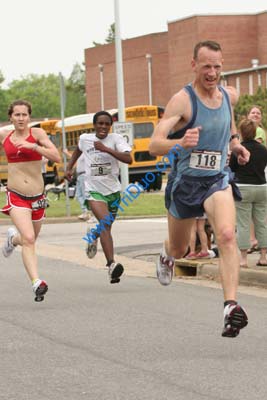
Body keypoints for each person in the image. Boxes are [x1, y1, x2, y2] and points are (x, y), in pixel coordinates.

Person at [149, 40, 250, 338]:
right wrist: (179, 143)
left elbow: (229, 120)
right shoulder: (183, 100)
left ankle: (230, 307)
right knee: (181, 248)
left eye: (218, 67)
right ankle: (167, 255)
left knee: (228, 235)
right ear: (194, 65)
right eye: (206, 66)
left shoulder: (227, 96)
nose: (212, 73)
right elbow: (155, 144)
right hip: (185, 184)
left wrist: (235, 143)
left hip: (217, 179)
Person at [0, 100, 61, 301]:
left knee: (29, 237)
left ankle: (11, 240)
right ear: (10, 117)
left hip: (37, 197)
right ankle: (36, 282)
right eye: (17, 115)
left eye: (24, 115)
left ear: (29, 117)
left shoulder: (38, 134)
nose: (21, 118)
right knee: (29, 238)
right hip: (16, 194)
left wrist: (33, 146)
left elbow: (56, 156)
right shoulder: (4, 135)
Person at [66, 111, 132, 284]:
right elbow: (77, 151)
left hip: (113, 191)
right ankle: (111, 265)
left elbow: (128, 159)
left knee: (107, 225)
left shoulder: (116, 139)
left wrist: (106, 150)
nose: (103, 127)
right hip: (93, 190)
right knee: (105, 225)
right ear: (94, 125)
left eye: (106, 124)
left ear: (110, 126)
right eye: (100, 124)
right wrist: (69, 167)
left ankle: (93, 235)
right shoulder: (85, 138)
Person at [229, 118, 267, 268]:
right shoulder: (263, 149)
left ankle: (244, 259)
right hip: (262, 187)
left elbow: (232, 168)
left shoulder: (238, 149)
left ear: (241, 133)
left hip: (243, 187)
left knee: (243, 223)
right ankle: (264, 256)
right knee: (262, 223)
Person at [246, 105, 267, 252]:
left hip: (257, 172)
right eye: (253, 112)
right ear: (248, 115)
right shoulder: (246, 132)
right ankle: (254, 239)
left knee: (256, 210)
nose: (255, 115)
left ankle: (255, 239)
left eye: (258, 113)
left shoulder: (259, 131)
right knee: (256, 211)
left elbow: (253, 148)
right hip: (254, 173)